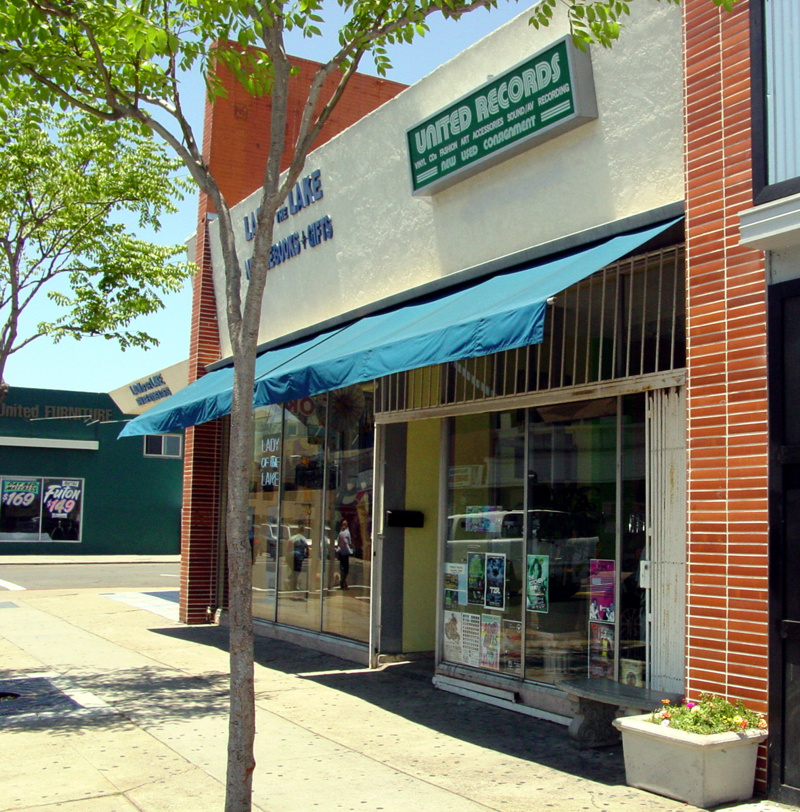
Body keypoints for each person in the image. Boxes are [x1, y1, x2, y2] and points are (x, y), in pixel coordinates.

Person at [336, 519, 353, 589]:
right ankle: (342, 581)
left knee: (344, 568)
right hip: (343, 552)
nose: (343, 525)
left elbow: (349, 542)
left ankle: (343, 581)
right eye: (343, 524)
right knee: (344, 568)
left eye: (345, 524)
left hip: (344, 552)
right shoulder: (344, 532)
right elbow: (348, 542)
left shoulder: (344, 532)